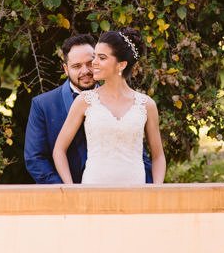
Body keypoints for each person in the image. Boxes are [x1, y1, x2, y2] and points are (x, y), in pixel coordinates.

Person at [53, 28, 166, 185]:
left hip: (136, 189)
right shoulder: (84, 101)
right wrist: (71, 188)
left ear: (121, 65)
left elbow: (158, 156)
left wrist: (157, 189)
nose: (94, 62)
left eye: (102, 57)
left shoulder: (146, 105)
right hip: (93, 188)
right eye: (95, 56)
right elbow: (59, 150)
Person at [24, 33, 97, 184]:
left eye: (89, 63)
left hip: (112, 190)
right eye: (77, 66)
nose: (85, 71)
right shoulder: (43, 105)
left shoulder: (116, 99)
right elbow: (35, 158)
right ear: (65, 69)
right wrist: (64, 191)